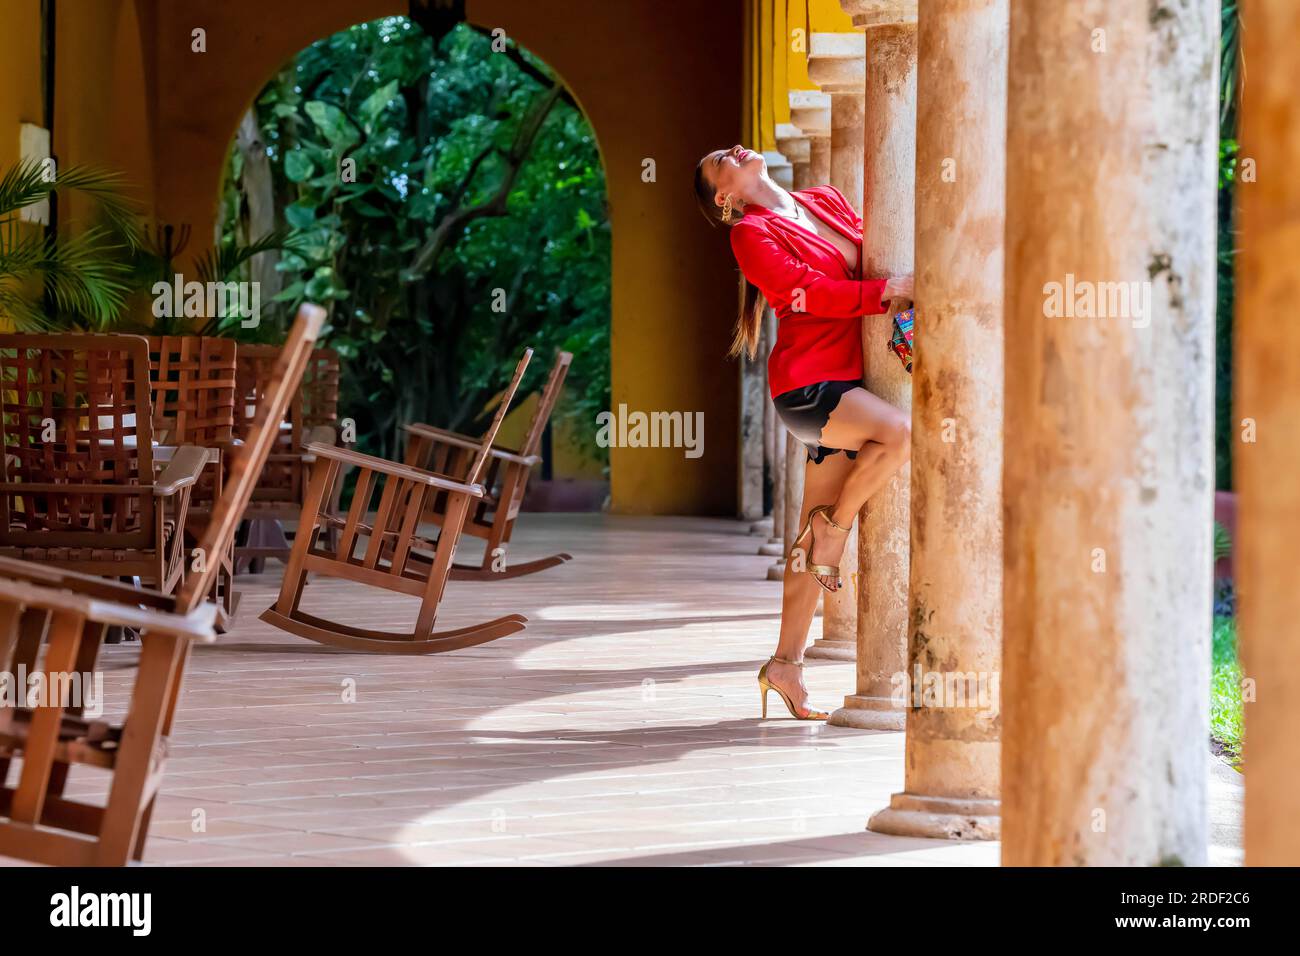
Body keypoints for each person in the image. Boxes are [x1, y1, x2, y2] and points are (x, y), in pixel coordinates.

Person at [694, 144, 913, 720]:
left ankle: (785, 663)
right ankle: (838, 530)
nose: (735, 150)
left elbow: (871, 250)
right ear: (726, 196)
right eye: (722, 162)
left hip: (848, 378)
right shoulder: (749, 234)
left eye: (731, 147)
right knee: (900, 432)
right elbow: (806, 294)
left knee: (804, 533)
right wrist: (886, 293)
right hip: (810, 387)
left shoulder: (824, 201)